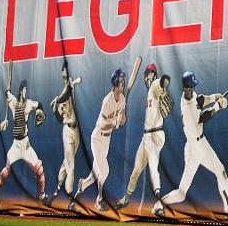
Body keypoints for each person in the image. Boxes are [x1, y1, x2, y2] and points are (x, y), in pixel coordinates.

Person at [157, 71, 228, 217]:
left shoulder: (191, 95)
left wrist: (214, 97)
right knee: (220, 171)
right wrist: (217, 106)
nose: (192, 89)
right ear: (184, 88)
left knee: (182, 193)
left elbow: (199, 100)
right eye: (190, 87)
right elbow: (203, 117)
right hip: (196, 146)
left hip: (199, 143)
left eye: (193, 86)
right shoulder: (186, 108)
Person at [75, 64, 135, 211]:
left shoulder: (122, 99)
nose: (123, 83)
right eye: (121, 82)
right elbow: (101, 125)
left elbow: (123, 120)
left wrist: (122, 117)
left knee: (96, 174)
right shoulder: (107, 101)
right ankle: (99, 199)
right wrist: (115, 122)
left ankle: (82, 185)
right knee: (105, 170)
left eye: (123, 81)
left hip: (106, 140)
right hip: (97, 138)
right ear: (115, 84)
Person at [115, 65, 173, 211]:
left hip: (155, 134)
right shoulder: (150, 91)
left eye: (150, 73)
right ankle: (126, 198)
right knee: (136, 171)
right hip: (146, 136)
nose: (147, 76)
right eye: (147, 74)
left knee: (153, 167)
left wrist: (164, 85)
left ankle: (159, 204)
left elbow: (163, 82)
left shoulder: (154, 84)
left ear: (153, 75)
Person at [0, 79, 49, 209]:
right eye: (24, 89)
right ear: (20, 90)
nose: (25, 91)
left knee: (39, 170)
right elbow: (7, 93)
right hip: (16, 145)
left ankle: (41, 195)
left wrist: (40, 112)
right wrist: (7, 90)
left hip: (26, 145)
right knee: (5, 172)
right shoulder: (14, 102)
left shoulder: (29, 103)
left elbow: (40, 105)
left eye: (26, 89)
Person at [48, 63, 81, 205]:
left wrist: (57, 99)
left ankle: (56, 189)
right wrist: (54, 109)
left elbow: (67, 92)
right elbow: (58, 119)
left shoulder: (69, 88)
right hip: (67, 131)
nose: (65, 77)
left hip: (76, 131)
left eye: (66, 75)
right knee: (71, 166)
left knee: (66, 164)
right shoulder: (64, 91)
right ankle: (70, 198)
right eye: (63, 75)